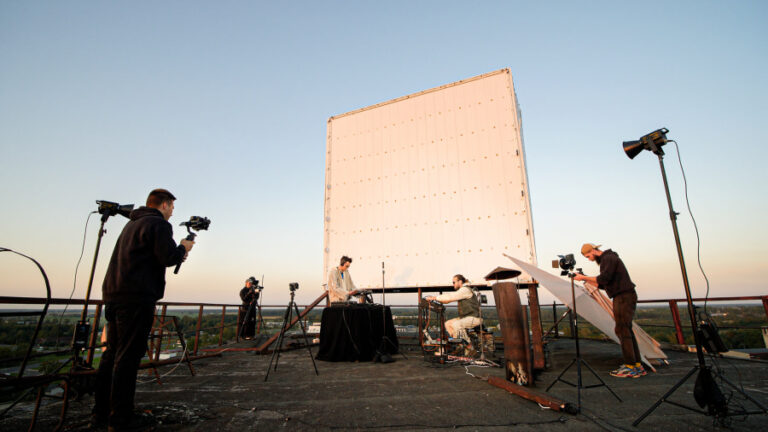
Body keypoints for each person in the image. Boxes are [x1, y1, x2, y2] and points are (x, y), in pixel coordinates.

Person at [92, 189, 194, 431]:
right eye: (172, 208)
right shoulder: (158, 224)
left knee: (111, 355)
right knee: (127, 358)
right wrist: (183, 248)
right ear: (165, 205)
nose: (172, 213)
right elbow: (168, 257)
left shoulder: (133, 224)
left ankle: (100, 414)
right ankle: (121, 419)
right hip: (136, 298)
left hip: (115, 295)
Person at [573, 243, 645, 378]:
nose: (589, 259)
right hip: (624, 296)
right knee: (625, 330)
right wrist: (585, 278)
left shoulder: (608, 258)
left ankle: (631, 366)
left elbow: (603, 278)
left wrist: (583, 277)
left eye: (589, 256)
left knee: (622, 330)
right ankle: (636, 365)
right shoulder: (608, 259)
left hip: (623, 296)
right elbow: (603, 284)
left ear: (593, 250)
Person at [425, 275, 482, 343]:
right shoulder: (462, 291)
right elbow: (448, 300)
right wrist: (436, 300)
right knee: (448, 324)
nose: (453, 284)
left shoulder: (465, 290)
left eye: (454, 282)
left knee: (457, 324)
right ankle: (458, 343)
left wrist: (434, 298)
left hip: (474, 318)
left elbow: (451, 296)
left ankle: (468, 346)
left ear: (460, 281)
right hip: (466, 317)